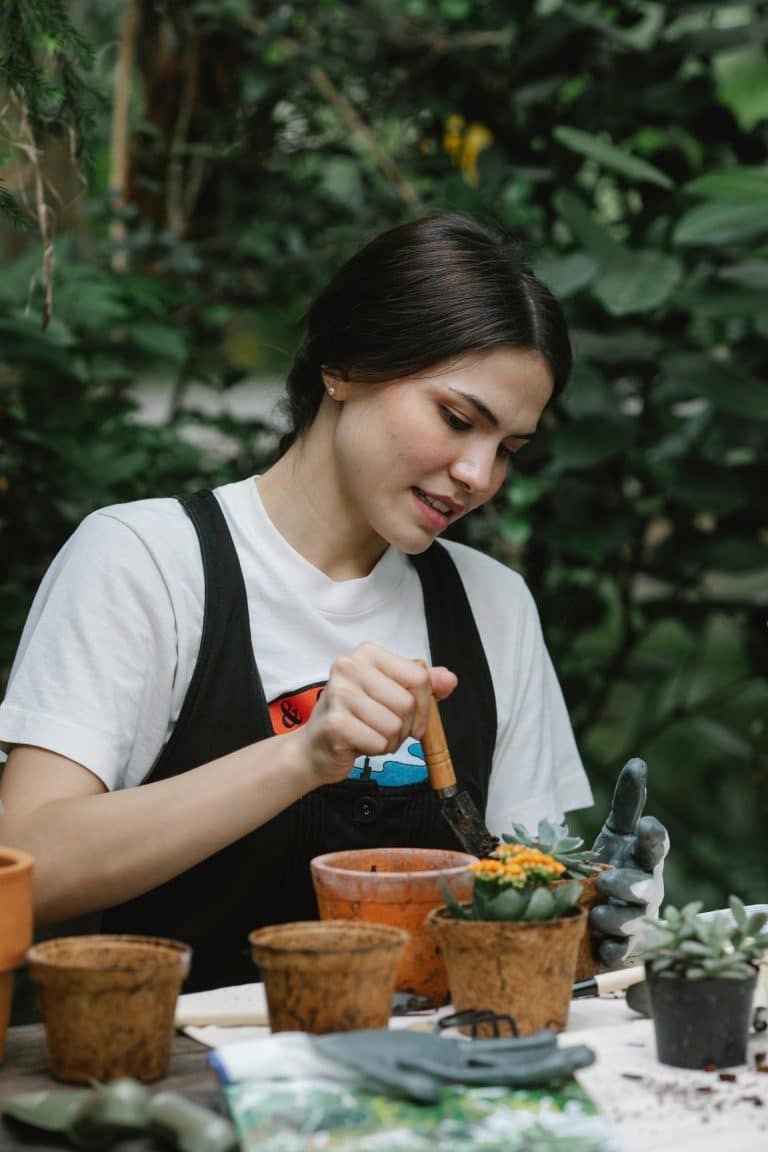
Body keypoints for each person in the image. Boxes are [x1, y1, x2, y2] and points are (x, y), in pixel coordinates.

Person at [0, 213, 667, 991]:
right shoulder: (147, 561)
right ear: (343, 365)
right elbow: (27, 869)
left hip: (436, 1076)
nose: (479, 475)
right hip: (172, 1082)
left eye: (509, 449)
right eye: (457, 419)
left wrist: (588, 902)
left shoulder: (492, 605)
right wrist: (302, 755)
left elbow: (515, 900)